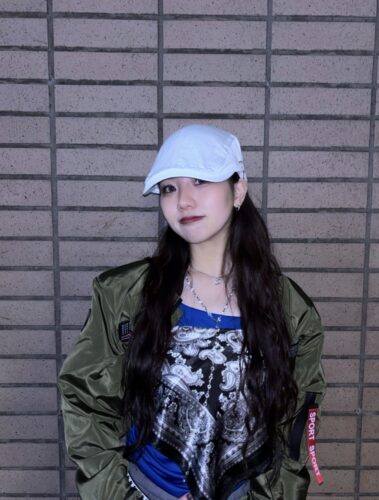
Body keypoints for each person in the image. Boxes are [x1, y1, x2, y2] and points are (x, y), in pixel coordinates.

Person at [58, 124, 326, 500]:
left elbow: (294, 427)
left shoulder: (291, 310)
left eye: (200, 181)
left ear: (238, 190)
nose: (183, 200)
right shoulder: (124, 294)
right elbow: (86, 402)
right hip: (143, 489)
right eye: (169, 188)